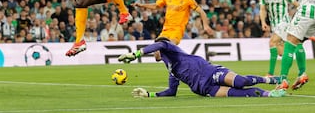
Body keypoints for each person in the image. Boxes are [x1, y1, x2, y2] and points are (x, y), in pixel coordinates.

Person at [118, 38, 286, 98]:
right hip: (204, 88)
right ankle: (270, 94)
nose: (153, 52)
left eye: (154, 49)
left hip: (211, 72)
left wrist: (136, 54)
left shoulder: (171, 49)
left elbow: (160, 43)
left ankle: (269, 80)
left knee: (240, 81)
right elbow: (171, 91)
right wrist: (150, 94)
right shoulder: (171, 69)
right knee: (239, 94)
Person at [132, 0, 213, 60]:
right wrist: (141, 5)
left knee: (170, 46)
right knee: (157, 55)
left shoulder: (188, 0)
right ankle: (173, 60)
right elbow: (156, 6)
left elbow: (202, 12)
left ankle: (180, 65)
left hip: (177, 31)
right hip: (166, 30)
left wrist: (205, 26)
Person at [259, 0, 299, 76]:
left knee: (272, 42)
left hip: (284, 22)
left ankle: (270, 74)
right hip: (274, 25)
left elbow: (295, 4)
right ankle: (297, 53)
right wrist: (263, 22)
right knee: (282, 52)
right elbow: (262, 9)